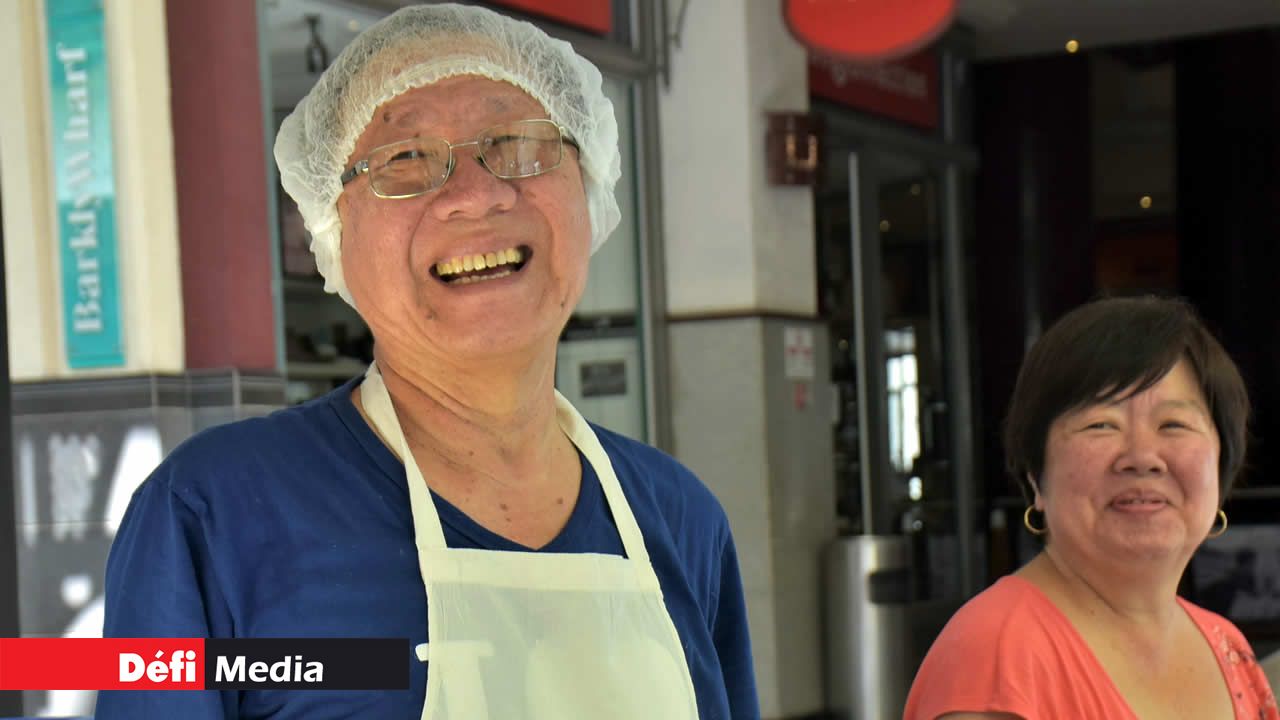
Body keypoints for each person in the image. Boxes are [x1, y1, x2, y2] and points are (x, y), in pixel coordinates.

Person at [95, 5, 758, 719]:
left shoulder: (683, 520)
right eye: (404, 160)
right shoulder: (212, 516)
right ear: (332, 230)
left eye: (516, 141)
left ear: (589, 184)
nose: (475, 194)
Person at [904, 296, 1278, 720]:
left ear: (1221, 465)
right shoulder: (998, 656)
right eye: (1101, 424)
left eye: (1174, 424)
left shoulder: (1227, 646)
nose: (1142, 456)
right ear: (1035, 477)